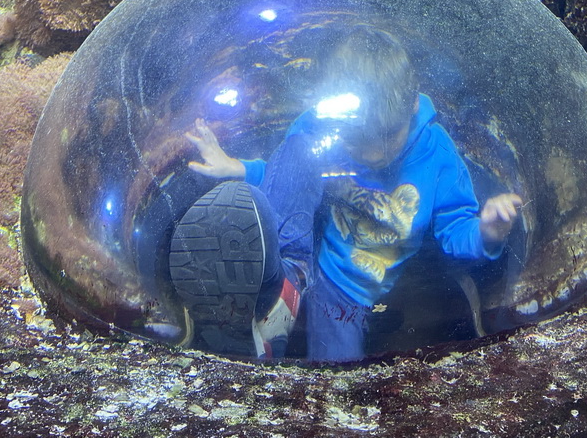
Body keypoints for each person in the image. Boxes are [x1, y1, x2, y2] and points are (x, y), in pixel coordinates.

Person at [170, 26, 523, 361]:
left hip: (347, 289)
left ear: (413, 104)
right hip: (298, 254)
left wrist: (486, 233)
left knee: (335, 375)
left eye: (385, 139)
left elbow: (454, 229)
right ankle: (276, 286)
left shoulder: (438, 157)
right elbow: (291, 177)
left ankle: (269, 329)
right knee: (298, 148)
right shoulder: (321, 124)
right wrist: (240, 168)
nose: (370, 154)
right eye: (356, 141)